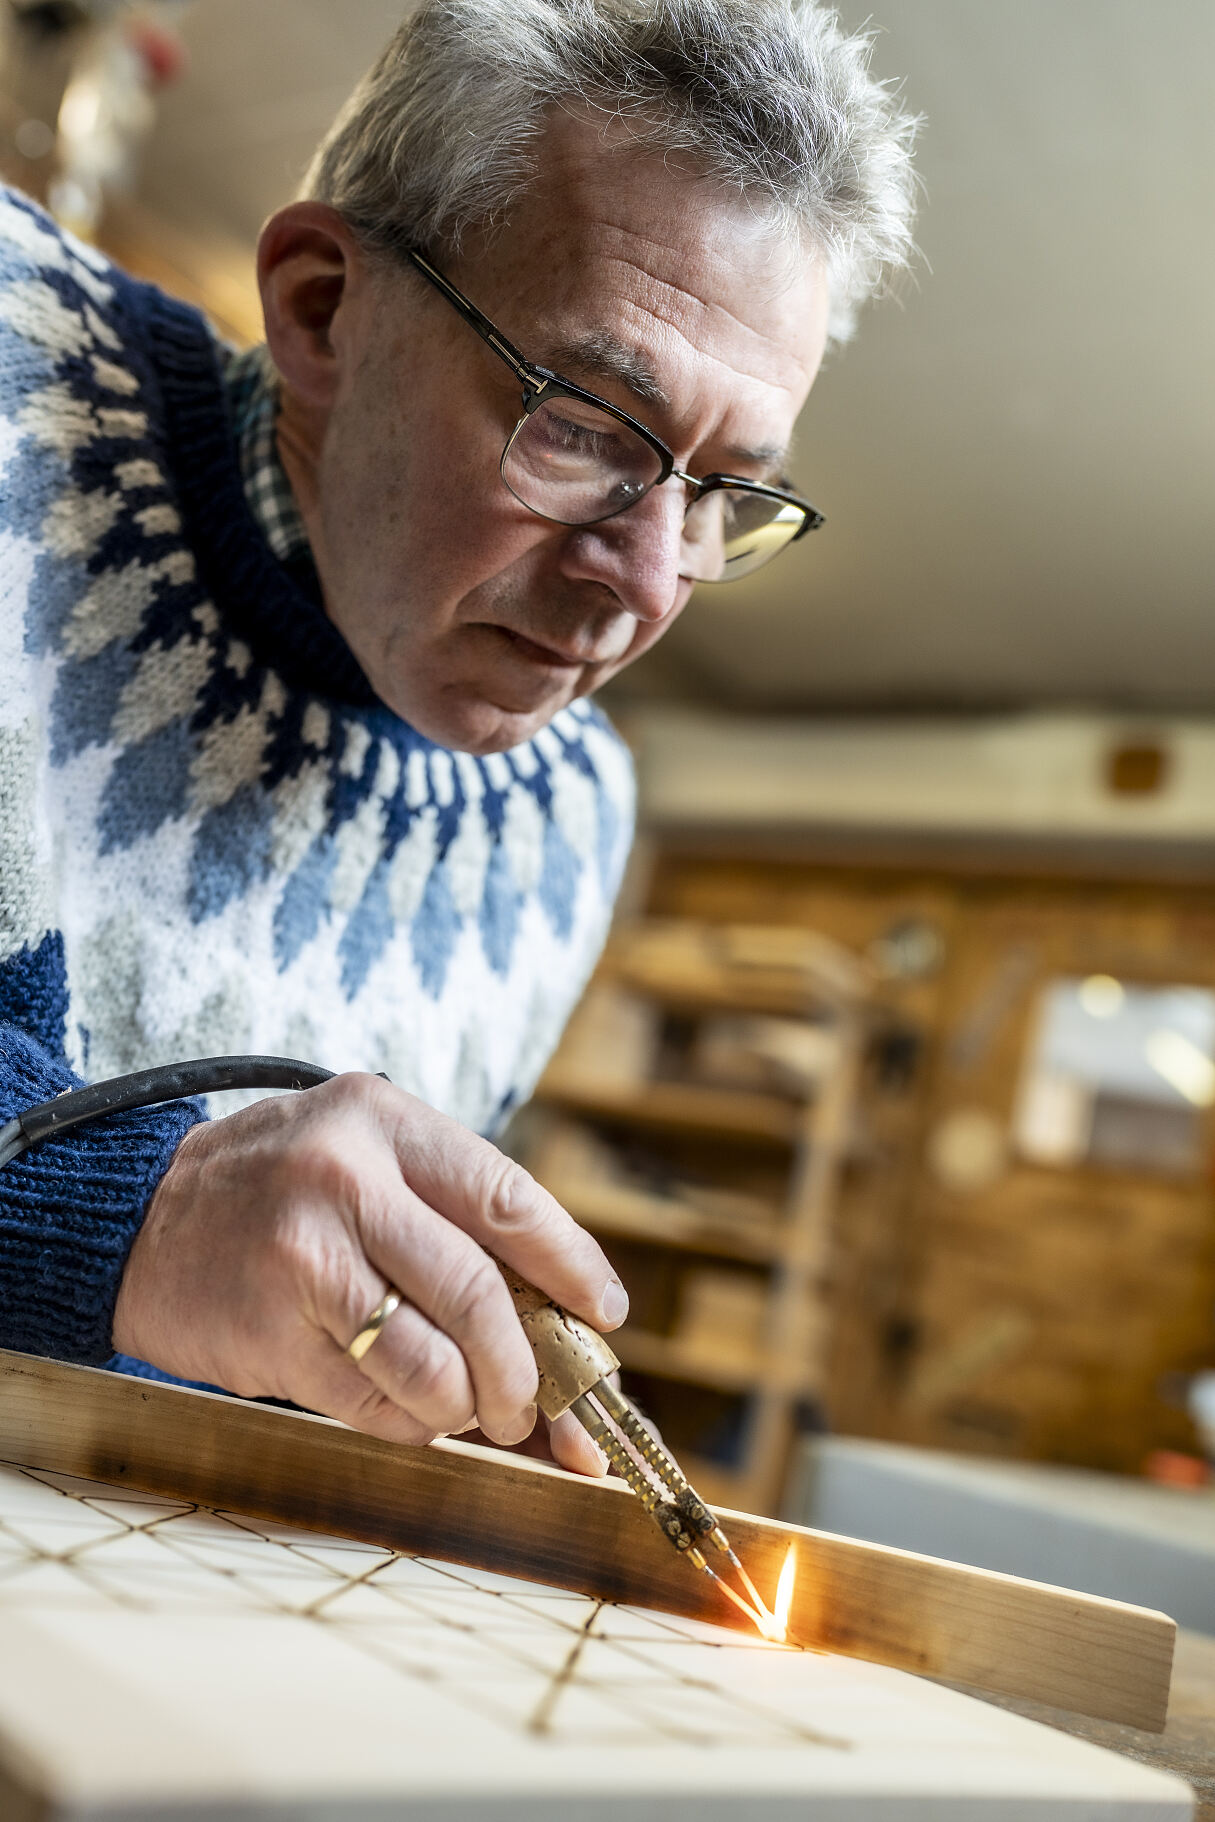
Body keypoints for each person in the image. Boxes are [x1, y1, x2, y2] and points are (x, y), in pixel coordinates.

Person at [0, 0, 916, 1471]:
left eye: (722, 491)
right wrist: (138, 1215)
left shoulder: (566, 831)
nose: (646, 582)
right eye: (584, 425)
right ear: (320, 308)